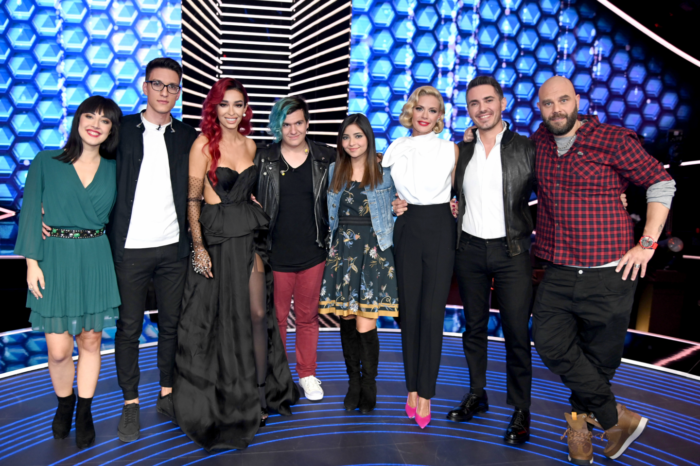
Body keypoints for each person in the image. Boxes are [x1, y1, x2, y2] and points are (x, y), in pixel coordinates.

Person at [531, 76, 675, 464]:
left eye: (563, 100)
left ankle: (579, 427)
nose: (556, 109)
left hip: (611, 273)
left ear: (578, 101)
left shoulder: (612, 140)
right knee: (548, 342)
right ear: (539, 108)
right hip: (559, 270)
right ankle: (616, 419)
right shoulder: (539, 142)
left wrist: (647, 244)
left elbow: (661, 183)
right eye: (548, 103)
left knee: (599, 360)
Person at [173, 78, 298, 450]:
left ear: (246, 109)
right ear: (214, 107)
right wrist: (198, 247)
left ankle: (259, 391)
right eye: (224, 104)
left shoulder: (251, 144)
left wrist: (253, 201)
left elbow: (250, 188)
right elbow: (193, 201)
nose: (231, 111)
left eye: (238, 104)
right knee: (222, 318)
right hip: (216, 239)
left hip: (248, 235)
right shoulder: (202, 145)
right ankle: (231, 395)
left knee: (258, 314)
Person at [16, 96, 122, 449]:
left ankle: (85, 411)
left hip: (95, 256)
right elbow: (30, 211)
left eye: (105, 120)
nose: (95, 124)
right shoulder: (46, 161)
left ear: (111, 130)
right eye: (90, 116)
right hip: (54, 260)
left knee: (91, 341)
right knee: (59, 349)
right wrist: (32, 263)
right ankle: (65, 402)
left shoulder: (116, 168)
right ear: (78, 120)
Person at [109, 58, 199, 442]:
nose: (165, 92)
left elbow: (206, 183)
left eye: (172, 86)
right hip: (130, 248)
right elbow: (88, 164)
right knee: (129, 328)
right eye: (157, 84)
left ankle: (167, 392)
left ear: (179, 92)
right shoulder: (121, 130)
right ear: (144, 87)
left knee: (172, 325)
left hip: (173, 249)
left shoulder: (189, 136)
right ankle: (130, 402)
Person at [445, 76, 535, 444]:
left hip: (512, 251)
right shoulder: (461, 150)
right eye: (474, 103)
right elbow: (445, 191)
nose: (481, 108)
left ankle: (521, 409)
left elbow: (557, 190)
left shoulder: (526, 148)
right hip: (469, 249)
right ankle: (477, 394)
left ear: (502, 102)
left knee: (516, 332)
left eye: (488, 100)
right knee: (474, 328)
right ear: (468, 109)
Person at [383, 86, 459, 429]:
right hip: (407, 227)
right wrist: (393, 205)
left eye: (432, 110)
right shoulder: (394, 148)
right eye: (420, 108)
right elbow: (381, 193)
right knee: (410, 313)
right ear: (410, 111)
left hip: (441, 226)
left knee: (431, 314)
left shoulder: (451, 149)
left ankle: (426, 393)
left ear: (440, 116)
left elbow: (461, 191)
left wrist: (457, 205)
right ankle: (411, 389)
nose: (425, 115)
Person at [255, 96, 335, 402]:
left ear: (307, 123)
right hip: (275, 255)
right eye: (286, 124)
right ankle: (277, 374)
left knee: (307, 317)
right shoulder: (264, 158)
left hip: (313, 253)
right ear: (278, 126)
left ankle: (307, 374)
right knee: (275, 320)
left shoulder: (326, 157)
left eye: (298, 123)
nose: (293, 130)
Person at [320, 114, 398, 413]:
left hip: (373, 252)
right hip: (343, 252)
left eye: (358, 136)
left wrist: (400, 206)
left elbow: (403, 202)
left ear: (368, 138)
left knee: (366, 323)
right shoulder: (334, 171)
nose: (352, 143)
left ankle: (369, 385)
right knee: (348, 320)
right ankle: (353, 382)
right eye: (346, 137)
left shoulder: (385, 171)